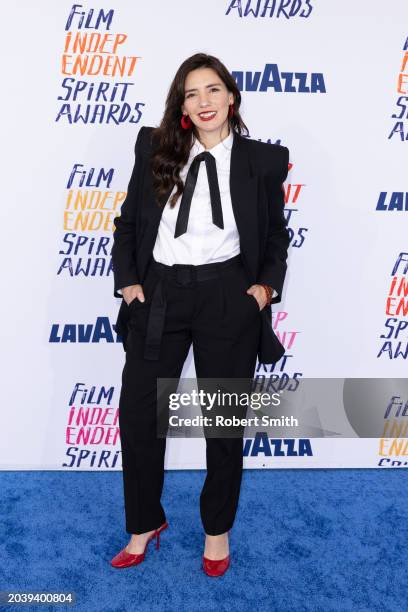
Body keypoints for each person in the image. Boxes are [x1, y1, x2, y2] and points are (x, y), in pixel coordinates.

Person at [109, 52, 290, 577]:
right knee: (140, 415)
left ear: (232, 97)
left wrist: (264, 290)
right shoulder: (155, 149)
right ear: (181, 106)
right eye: (192, 94)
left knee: (223, 423)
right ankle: (144, 524)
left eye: (213, 90)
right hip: (159, 294)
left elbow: (276, 236)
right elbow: (127, 223)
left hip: (226, 296)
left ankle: (217, 530)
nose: (204, 101)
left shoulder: (262, 161)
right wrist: (129, 283)